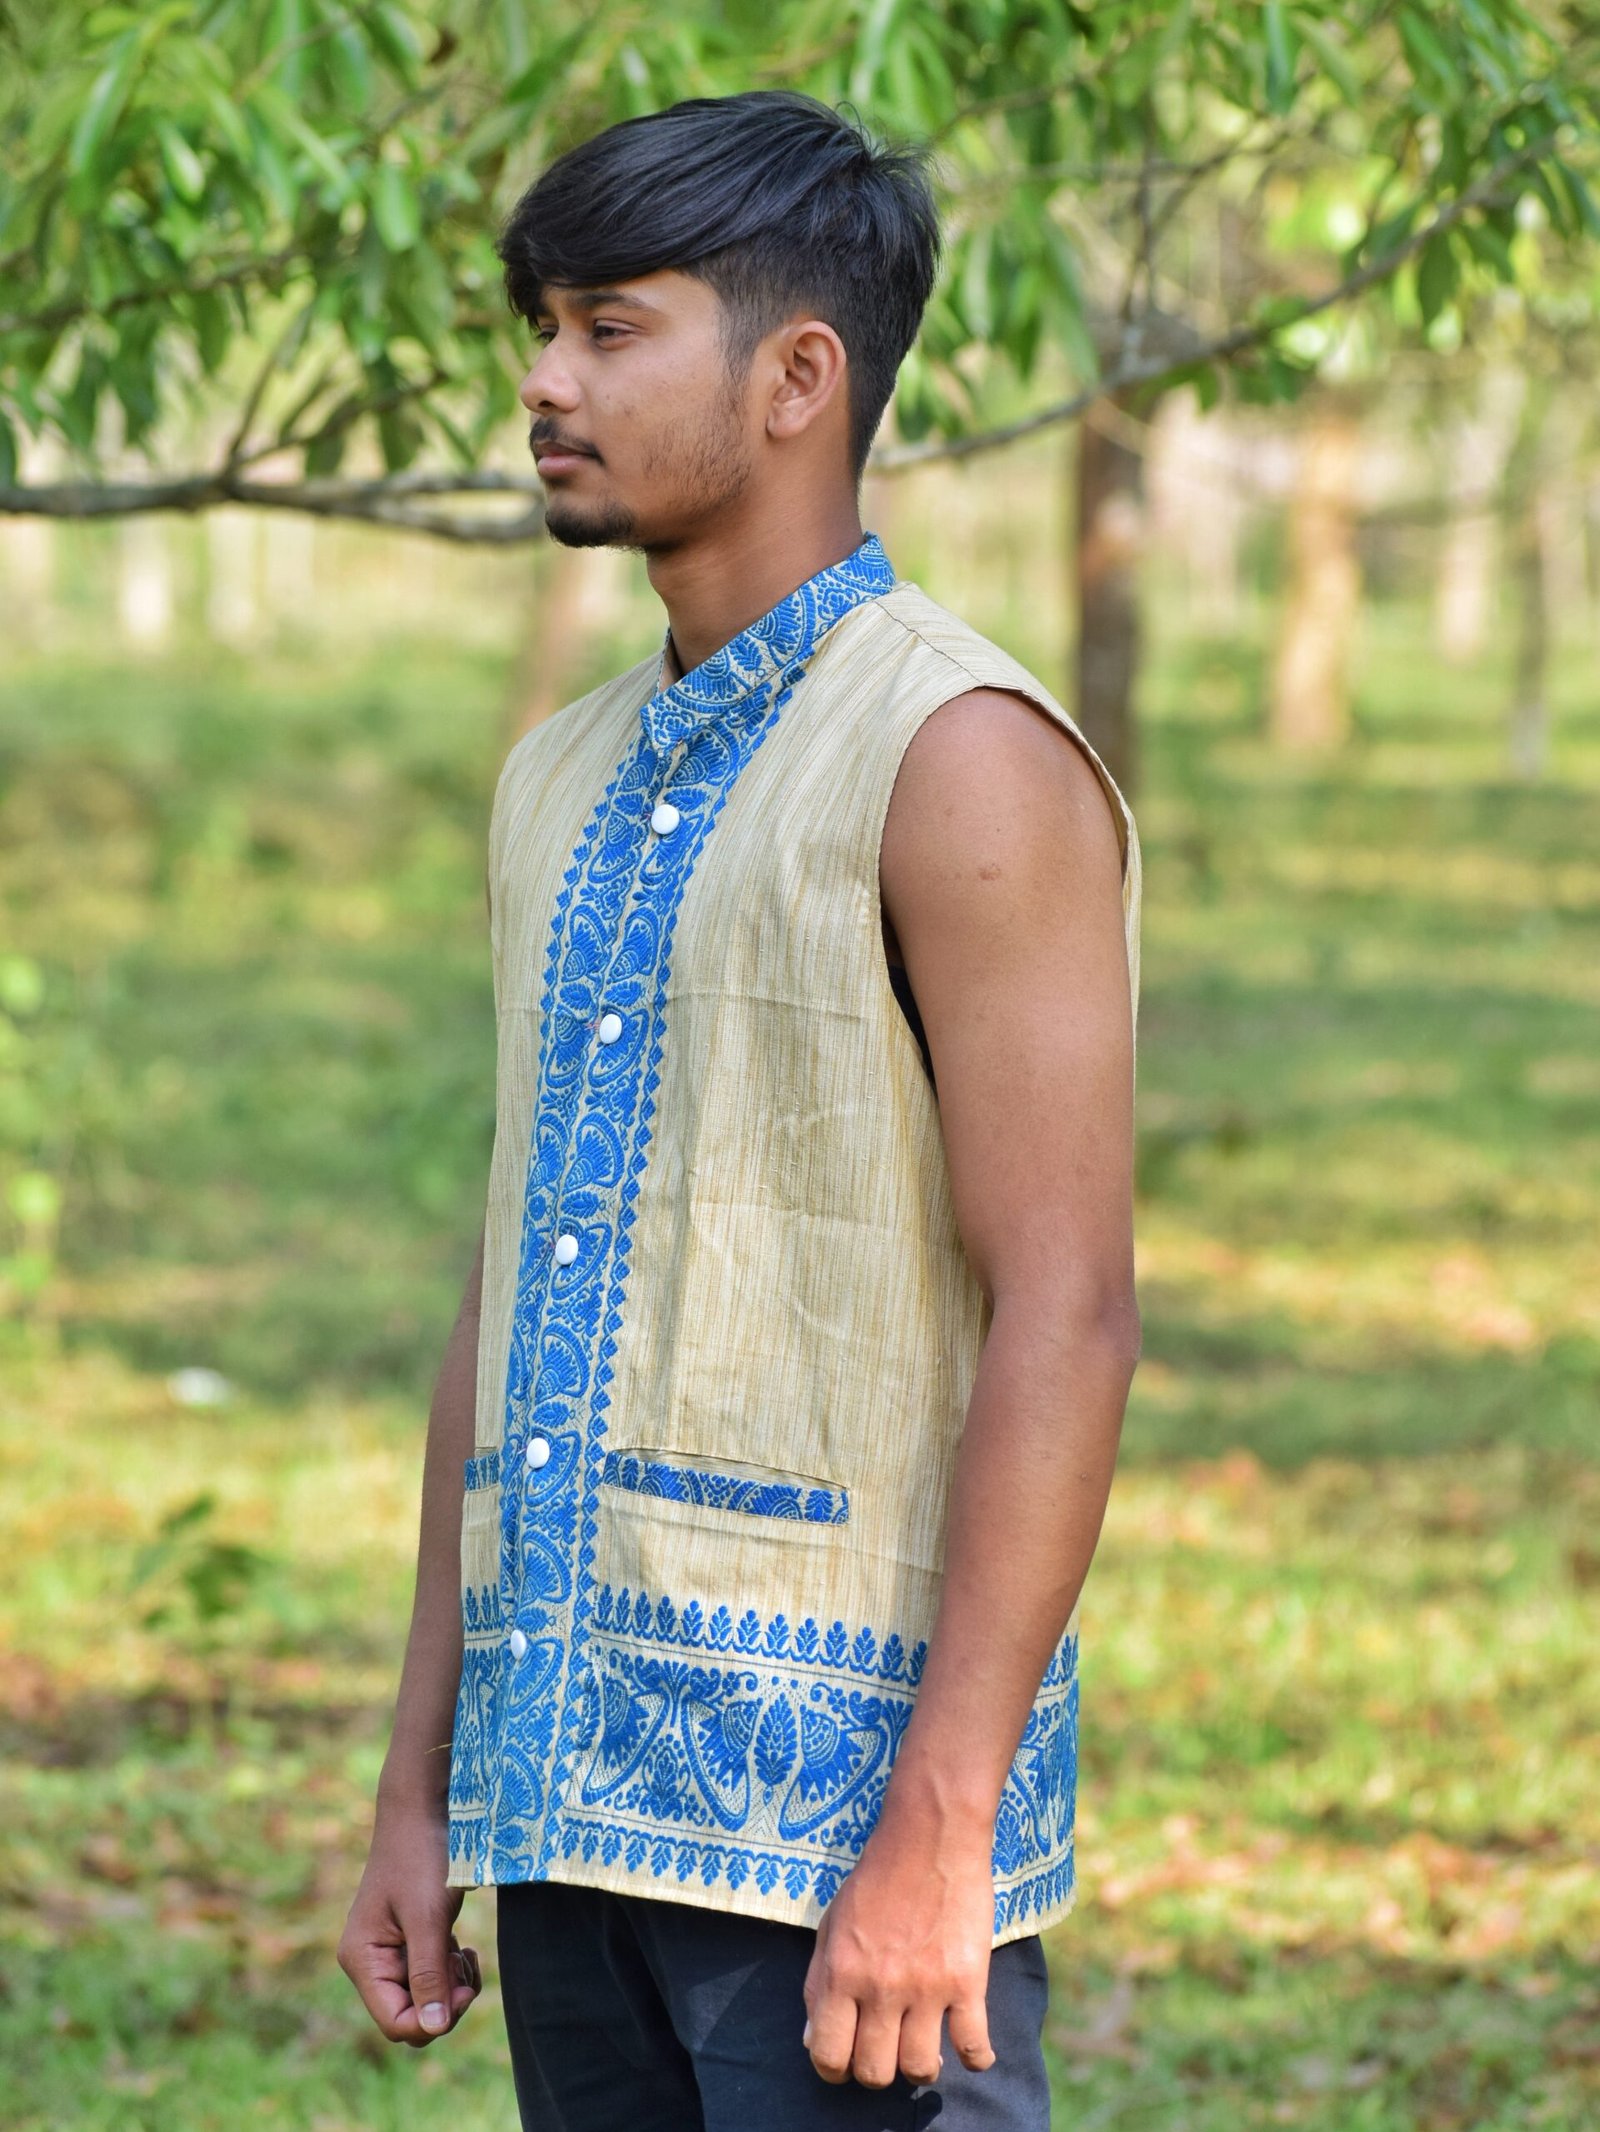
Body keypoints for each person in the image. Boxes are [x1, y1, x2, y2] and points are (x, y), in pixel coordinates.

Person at [339, 87, 1142, 2132]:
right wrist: (422, 1785)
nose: (544, 382)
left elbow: (1066, 1309)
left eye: (610, 330)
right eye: (542, 329)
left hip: (845, 1851)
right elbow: (508, 1286)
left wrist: (937, 1836)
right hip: (560, 1808)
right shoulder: (558, 773)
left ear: (798, 378)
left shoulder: (957, 755)